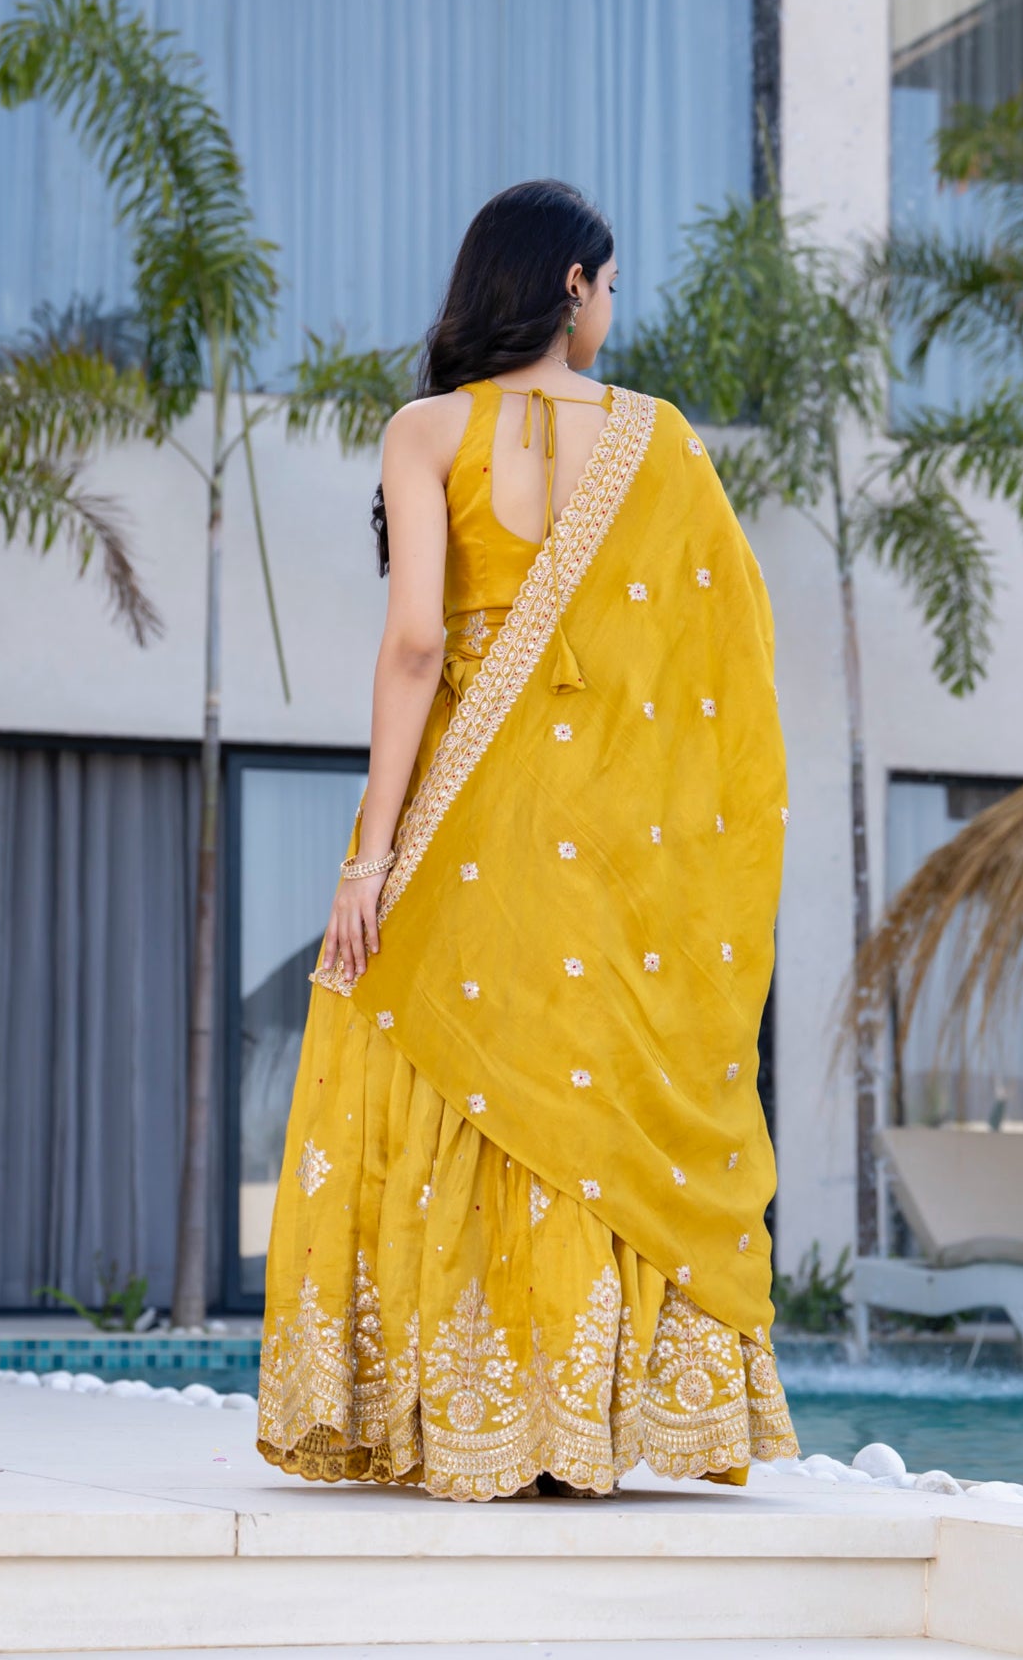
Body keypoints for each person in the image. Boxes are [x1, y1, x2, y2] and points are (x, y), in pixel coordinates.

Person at [256, 178, 798, 1500]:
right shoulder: (661, 444)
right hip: (608, 836)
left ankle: (458, 1414)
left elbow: (416, 646)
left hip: (459, 816)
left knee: (443, 1076)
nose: (612, 310)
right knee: (582, 1087)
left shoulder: (428, 429)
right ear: (571, 284)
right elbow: (719, 671)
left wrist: (371, 859)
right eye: (608, 287)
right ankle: (580, 1418)